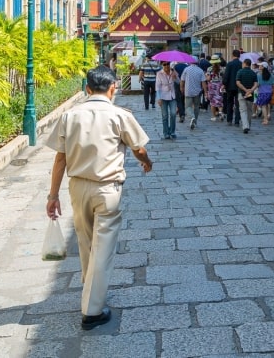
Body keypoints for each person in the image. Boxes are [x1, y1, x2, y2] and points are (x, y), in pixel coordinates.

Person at [45, 65, 152, 330]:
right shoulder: (119, 115)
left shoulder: (70, 116)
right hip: (108, 188)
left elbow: (60, 158)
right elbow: (138, 147)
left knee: (85, 242)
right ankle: (92, 310)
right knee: (103, 247)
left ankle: (90, 287)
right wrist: (146, 161)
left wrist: (52, 195)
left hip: (78, 187)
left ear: (87, 89)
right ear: (113, 89)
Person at [180, 58, 208, 130]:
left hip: (188, 91)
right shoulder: (200, 70)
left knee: (188, 107)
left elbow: (182, 80)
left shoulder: (186, 69)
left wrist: (181, 88)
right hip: (197, 92)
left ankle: (192, 117)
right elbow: (203, 82)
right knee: (196, 107)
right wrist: (205, 92)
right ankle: (195, 121)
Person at [155, 62, 179, 140]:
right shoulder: (159, 74)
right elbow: (157, 87)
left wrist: (175, 77)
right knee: (165, 116)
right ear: (162, 65)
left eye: (167, 64)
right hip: (163, 97)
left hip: (172, 96)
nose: (166, 66)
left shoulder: (173, 72)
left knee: (173, 114)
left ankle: (172, 131)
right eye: (164, 64)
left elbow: (178, 82)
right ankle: (166, 133)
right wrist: (158, 98)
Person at [235, 57, 258, 134]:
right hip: (250, 95)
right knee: (249, 110)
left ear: (244, 63)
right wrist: (251, 90)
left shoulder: (240, 72)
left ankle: (245, 126)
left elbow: (238, 82)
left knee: (243, 110)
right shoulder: (253, 73)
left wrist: (245, 90)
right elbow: (256, 84)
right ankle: (248, 125)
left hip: (241, 93)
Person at [222, 50, 243, 126]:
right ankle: (237, 121)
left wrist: (224, 84)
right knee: (238, 104)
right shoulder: (241, 64)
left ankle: (229, 120)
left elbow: (226, 75)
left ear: (232, 55)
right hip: (239, 87)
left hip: (230, 87)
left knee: (229, 103)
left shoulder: (229, 64)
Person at [207, 56, 225, 120]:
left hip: (212, 86)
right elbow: (224, 79)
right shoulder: (222, 69)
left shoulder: (209, 69)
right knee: (219, 100)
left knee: (212, 102)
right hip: (220, 85)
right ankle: (220, 112)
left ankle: (214, 116)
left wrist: (207, 77)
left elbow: (208, 79)